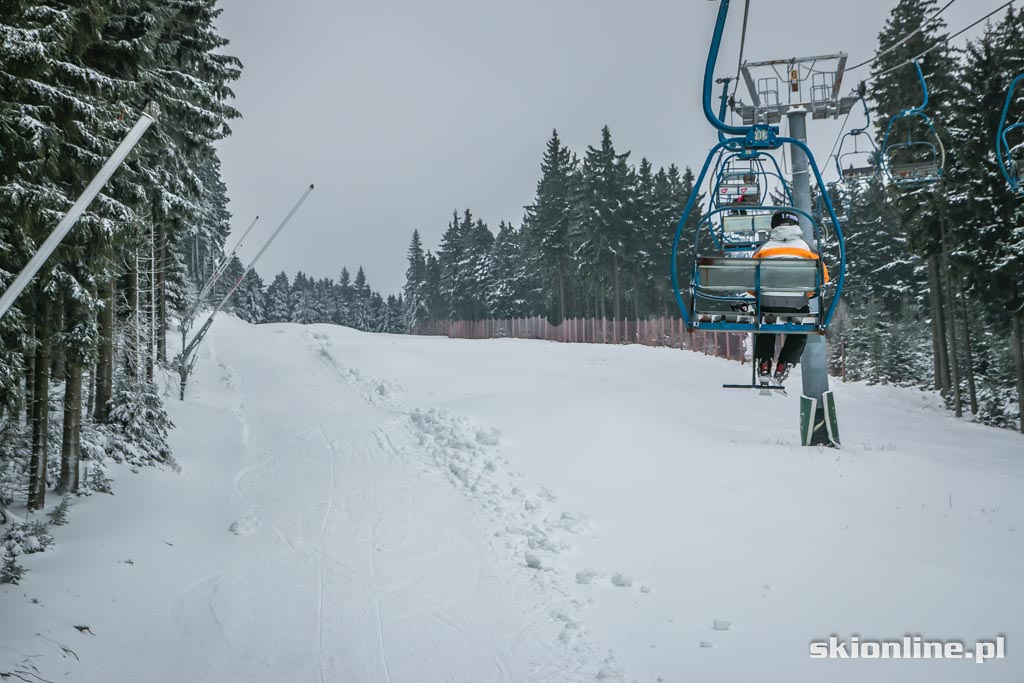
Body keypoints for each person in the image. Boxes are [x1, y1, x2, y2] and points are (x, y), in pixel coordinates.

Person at [752, 211, 828, 383]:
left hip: (767, 303)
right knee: (800, 328)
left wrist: (759, 294)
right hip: (797, 304)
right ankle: (784, 364)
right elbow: (822, 278)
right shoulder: (808, 248)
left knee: (764, 322)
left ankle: (764, 362)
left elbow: (749, 279)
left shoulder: (763, 249)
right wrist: (805, 294)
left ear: (774, 226)